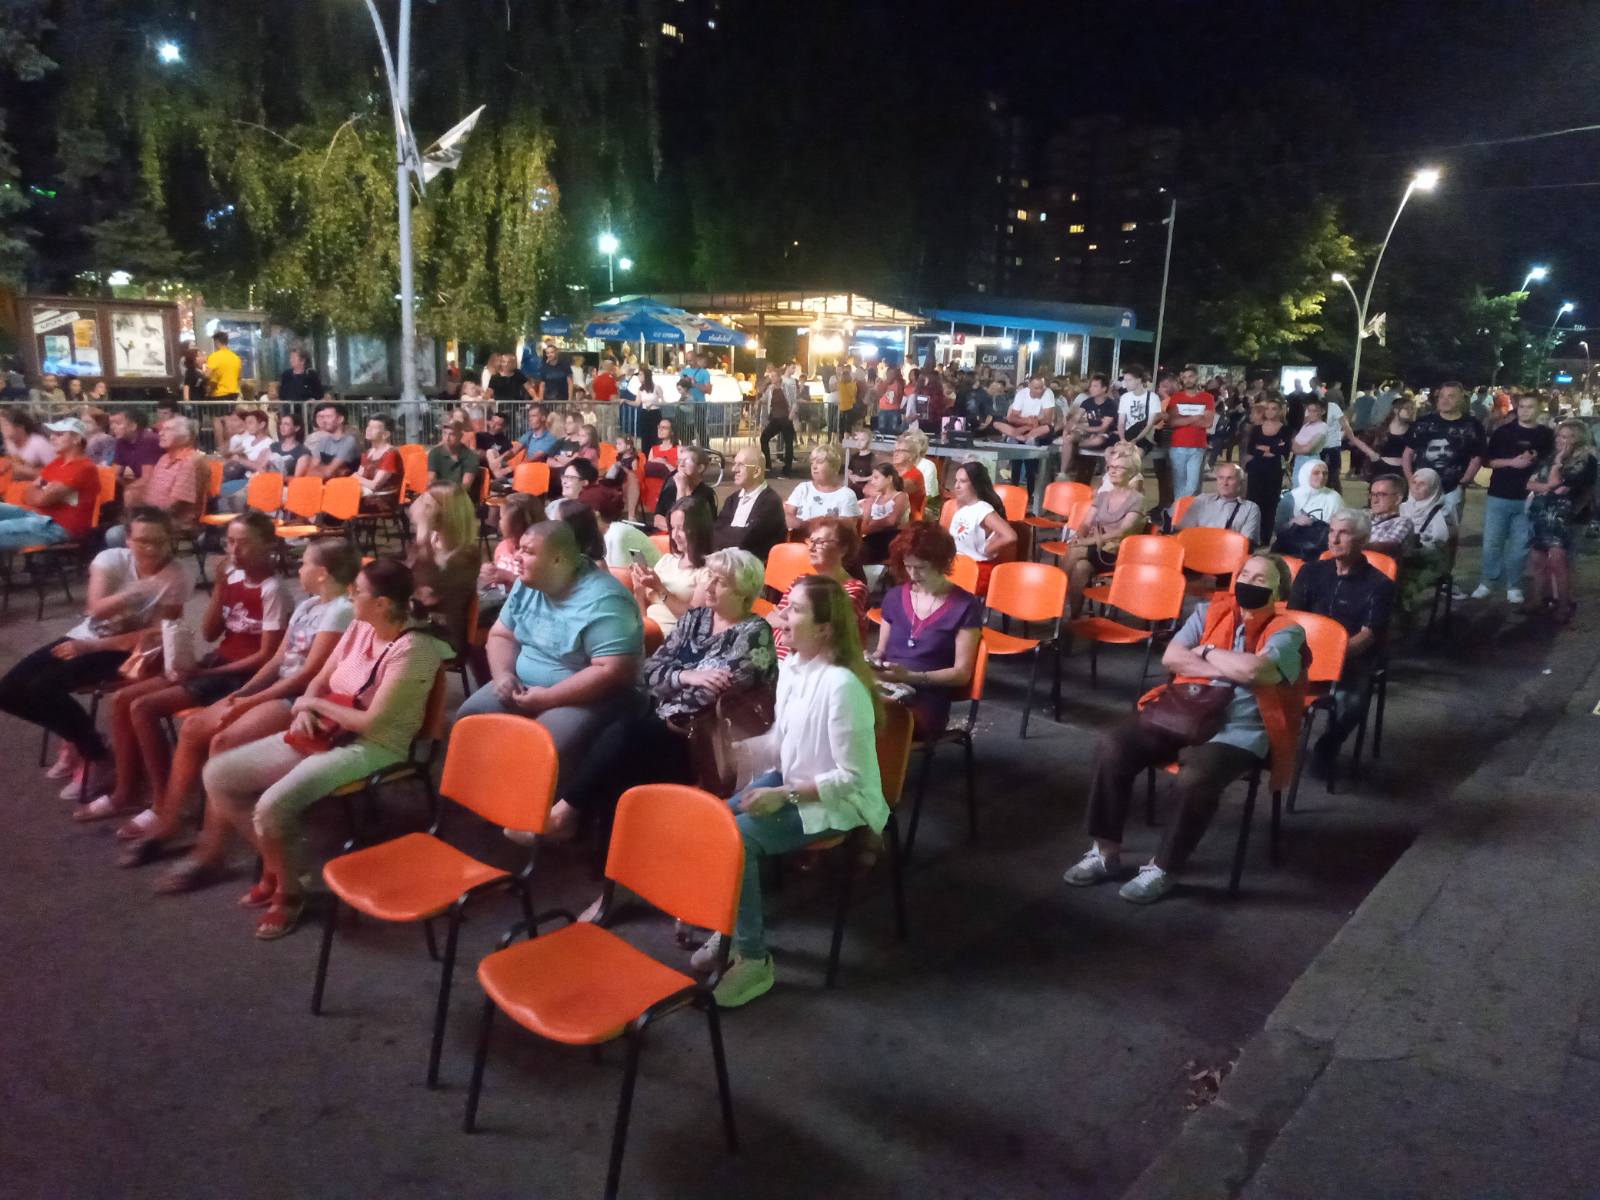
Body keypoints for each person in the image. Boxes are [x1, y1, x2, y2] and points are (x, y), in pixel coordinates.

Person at [188, 558, 450, 937]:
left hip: (374, 745)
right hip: (327, 730)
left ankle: (291, 891)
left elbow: (371, 723)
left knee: (271, 806)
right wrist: (305, 710)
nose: (350, 594)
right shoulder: (360, 626)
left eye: (357, 591)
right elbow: (319, 680)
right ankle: (282, 868)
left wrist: (314, 706)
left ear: (381, 603)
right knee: (219, 774)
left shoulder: (414, 650)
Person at [1061, 553, 1304, 903]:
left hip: (1238, 728)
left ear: (1280, 592)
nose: (1249, 582)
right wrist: (1229, 667)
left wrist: (1205, 651)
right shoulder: (1207, 612)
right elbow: (1172, 658)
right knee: (1113, 744)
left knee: (1196, 777)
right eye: (1245, 574)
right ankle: (1105, 852)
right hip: (1183, 711)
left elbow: (1256, 671)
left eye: (1261, 579)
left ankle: (1164, 867)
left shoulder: (1288, 631)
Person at [695, 573, 887, 1007]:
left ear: (824, 628)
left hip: (838, 802)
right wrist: (738, 750)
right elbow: (783, 742)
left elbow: (853, 778)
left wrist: (785, 795)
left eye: (795, 610)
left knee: (738, 840)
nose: (782, 616)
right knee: (713, 819)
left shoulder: (842, 687)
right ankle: (729, 926)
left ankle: (754, 959)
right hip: (794, 780)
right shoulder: (794, 669)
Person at [126, 540, 362, 865]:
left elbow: (309, 674)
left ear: (322, 573)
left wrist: (251, 701)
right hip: (280, 687)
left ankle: (211, 848)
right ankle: (169, 821)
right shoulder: (308, 605)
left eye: (305, 563)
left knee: (223, 742)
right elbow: (278, 660)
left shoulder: (341, 611)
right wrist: (244, 693)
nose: (299, 568)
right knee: (193, 728)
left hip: (305, 698)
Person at [549, 548, 778, 839]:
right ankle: (600, 841)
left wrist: (670, 683)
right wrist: (686, 676)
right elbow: (649, 670)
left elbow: (704, 702)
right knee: (619, 746)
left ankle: (566, 817)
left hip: (705, 743)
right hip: (664, 722)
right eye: (709, 576)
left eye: (719, 581)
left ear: (744, 592)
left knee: (626, 738)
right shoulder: (696, 618)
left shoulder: (754, 634)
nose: (708, 585)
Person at [97, 512, 291, 834]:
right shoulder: (233, 578)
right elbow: (210, 632)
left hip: (242, 675)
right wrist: (220, 587)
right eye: (230, 542)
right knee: (122, 698)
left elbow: (265, 657)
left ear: (269, 545)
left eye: (244, 543)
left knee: (143, 707)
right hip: (218, 662)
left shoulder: (273, 590)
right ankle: (127, 789)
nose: (234, 551)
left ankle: (163, 802)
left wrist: (205, 673)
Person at [0, 509, 190, 799]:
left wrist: (92, 647)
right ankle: (79, 739)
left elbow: (156, 635)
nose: (152, 549)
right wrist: (139, 590)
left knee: (43, 687)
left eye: (159, 542)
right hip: (85, 636)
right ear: (127, 540)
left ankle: (97, 757)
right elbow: (95, 610)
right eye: (143, 541)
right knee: (8, 691)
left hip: (127, 651)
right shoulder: (110, 559)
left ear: (170, 540)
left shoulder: (176, 576)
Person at [456, 520, 643, 788]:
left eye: (528, 551)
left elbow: (612, 672)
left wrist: (549, 697)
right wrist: (502, 676)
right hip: (524, 683)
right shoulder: (529, 583)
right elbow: (501, 635)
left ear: (557, 560)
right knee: (471, 718)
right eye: (519, 548)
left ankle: (539, 809)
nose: (517, 557)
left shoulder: (606, 601)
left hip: (587, 697)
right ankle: (483, 794)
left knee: (543, 742)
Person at [1289, 509, 1395, 775]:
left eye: (1344, 533)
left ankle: (1327, 745)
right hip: (1305, 652)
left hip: (1351, 657)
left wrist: (1331, 658)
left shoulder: (1379, 585)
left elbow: (1368, 635)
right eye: (1332, 532)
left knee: (1351, 703)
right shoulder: (1310, 572)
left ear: (1363, 540)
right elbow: (1293, 618)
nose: (1334, 539)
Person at [870, 523, 984, 739]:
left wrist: (911, 677)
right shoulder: (894, 597)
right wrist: (873, 662)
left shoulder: (965, 605)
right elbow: (881, 651)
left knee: (865, 717)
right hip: (890, 689)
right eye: (908, 566)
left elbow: (961, 674)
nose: (913, 574)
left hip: (927, 699)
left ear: (942, 563)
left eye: (921, 567)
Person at [1473, 393, 1552, 605]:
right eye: (1522, 406)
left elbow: (1551, 461)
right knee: (1492, 543)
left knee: (1520, 545)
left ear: (1539, 409)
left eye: (1530, 406)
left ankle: (1514, 585)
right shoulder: (1504, 432)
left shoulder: (1546, 435)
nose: (1525, 411)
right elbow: (1488, 461)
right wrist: (1512, 462)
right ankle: (1487, 581)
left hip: (1529, 498)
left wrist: (1536, 461)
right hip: (1500, 494)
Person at [1524, 418, 1596, 624]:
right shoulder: (1549, 457)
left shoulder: (1585, 462)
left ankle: (1564, 604)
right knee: (1537, 559)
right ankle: (1539, 598)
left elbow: (1559, 486)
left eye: (1566, 437)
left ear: (1578, 440)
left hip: (1563, 517)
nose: (1560, 441)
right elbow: (1530, 484)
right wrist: (1547, 486)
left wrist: (1556, 465)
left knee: (1559, 562)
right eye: (1559, 436)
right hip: (1541, 512)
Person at [768, 516, 869, 658]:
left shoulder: (854, 589)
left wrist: (781, 622)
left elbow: (819, 632)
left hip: (814, 661)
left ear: (843, 549)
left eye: (820, 542)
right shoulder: (801, 580)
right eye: (810, 541)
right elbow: (782, 623)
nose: (811, 547)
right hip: (779, 658)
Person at [1061, 443, 1143, 615]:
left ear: (1131, 472)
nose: (1112, 471)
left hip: (1116, 553)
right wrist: (1079, 536)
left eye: (1118, 468)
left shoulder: (1137, 499)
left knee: (1076, 550)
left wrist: (1086, 541)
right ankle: (1072, 619)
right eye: (1110, 467)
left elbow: (1123, 531)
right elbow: (1085, 523)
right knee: (1081, 567)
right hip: (1095, 550)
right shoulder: (1103, 495)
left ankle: (1054, 595)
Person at [0, 417, 101, 551]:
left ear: (76, 439)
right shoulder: (57, 463)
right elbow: (28, 494)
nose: (52, 438)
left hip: (59, 526)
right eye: (52, 434)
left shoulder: (84, 467)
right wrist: (40, 491)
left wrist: (39, 490)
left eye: (59, 434)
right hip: (37, 517)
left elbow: (42, 499)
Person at [407, 483, 481, 655]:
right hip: (417, 624)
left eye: (427, 506)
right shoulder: (431, 542)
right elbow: (405, 581)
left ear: (446, 513)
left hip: (443, 634)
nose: (421, 510)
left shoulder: (467, 555)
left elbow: (429, 591)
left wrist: (422, 533)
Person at [1402, 381, 1485, 521]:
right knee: (1415, 527)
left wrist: (1462, 483)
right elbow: (1408, 453)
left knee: (1448, 529)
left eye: (1451, 396)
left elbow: (1476, 457)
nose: (1445, 400)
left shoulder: (1472, 426)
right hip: (1420, 487)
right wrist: (1410, 479)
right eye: (1441, 396)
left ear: (1461, 399)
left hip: (1452, 489)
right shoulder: (1423, 423)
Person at [634, 497, 714, 637]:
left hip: (673, 636)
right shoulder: (667, 560)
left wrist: (660, 589)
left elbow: (694, 618)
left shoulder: (709, 570)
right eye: (672, 528)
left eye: (681, 528)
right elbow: (643, 611)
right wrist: (639, 589)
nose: (674, 535)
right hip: (647, 630)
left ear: (699, 530)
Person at [479, 492, 544, 625]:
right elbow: (497, 570)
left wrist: (509, 577)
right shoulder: (503, 546)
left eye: (502, 517)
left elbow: (539, 590)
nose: (499, 521)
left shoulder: (538, 553)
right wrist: (489, 571)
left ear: (518, 524)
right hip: (497, 597)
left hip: (523, 608)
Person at [713, 446, 786, 561]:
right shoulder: (732, 499)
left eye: (740, 465)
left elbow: (746, 539)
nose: (734, 469)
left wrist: (727, 533)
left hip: (755, 566)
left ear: (756, 471)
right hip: (728, 562)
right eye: (734, 464)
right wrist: (739, 532)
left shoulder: (771, 502)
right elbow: (716, 533)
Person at [993, 375, 1058, 492]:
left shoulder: (1048, 393)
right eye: (1036, 388)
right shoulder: (1021, 394)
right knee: (997, 424)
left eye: (1041, 388)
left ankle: (1030, 492)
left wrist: (1034, 423)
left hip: (1037, 429)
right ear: (1029, 386)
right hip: (1023, 427)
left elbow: (1047, 420)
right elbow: (1012, 417)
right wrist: (1027, 422)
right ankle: (1021, 437)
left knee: (1046, 429)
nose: (1040, 391)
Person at [1175, 461, 1263, 547]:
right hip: (1198, 548)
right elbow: (1182, 532)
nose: (1225, 483)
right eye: (1221, 478)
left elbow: (1245, 544)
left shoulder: (1250, 508)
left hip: (1229, 551)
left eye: (1230, 478)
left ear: (1240, 482)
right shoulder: (1202, 500)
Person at [784, 443, 862, 535]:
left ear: (834, 467)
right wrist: (807, 526)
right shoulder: (803, 488)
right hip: (799, 540)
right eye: (812, 463)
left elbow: (847, 530)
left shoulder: (846, 495)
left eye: (819, 462)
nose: (814, 467)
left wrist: (808, 526)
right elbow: (787, 516)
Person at [1273, 460, 1342, 558]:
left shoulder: (1334, 497)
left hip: (1324, 546)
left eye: (1325, 473)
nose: (1321, 477)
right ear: (1306, 474)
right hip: (1294, 546)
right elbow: (1278, 529)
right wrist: (1293, 522)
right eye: (1316, 473)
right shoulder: (1291, 497)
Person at [1166, 367, 1216, 499]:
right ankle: (1179, 511)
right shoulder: (1176, 397)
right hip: (1178, 446)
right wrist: (1195, 418)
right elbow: (1173, 422)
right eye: (1184, 377)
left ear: (1197, 377)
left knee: (1193, 486)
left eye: (1191, 376)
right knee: (1179, 485)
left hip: (1198, 446)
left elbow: (1207, 423)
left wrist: (1183, 420)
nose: (1187, 380)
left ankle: (1178, 508)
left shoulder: (1207, 398)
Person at [1242, 396, 1291, 522]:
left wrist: (1263, 448)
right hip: (1256, 469)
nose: (1270, 411)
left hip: (1274, 470)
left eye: (1274, 409)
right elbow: (1251, 449)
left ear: (1279, 411)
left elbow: (1284, 451)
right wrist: (1273, 448)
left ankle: (1266, 532)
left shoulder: (1285, 430)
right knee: (1253, 500)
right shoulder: (1257, 429)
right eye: (1267, 408)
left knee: (1270, 503)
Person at [653, 443, 718, 531]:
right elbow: (657, 519)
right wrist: (674, 527)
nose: (681, 465)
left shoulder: (706, 494)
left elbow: (686, 526)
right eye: (679, 461)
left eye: (687, 461)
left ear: (700, 468)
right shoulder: (671, 486)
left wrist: (681, 489)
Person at [1349, 395, 1414, 478]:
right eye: (1407, 408)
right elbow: (1357, 439)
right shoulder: (1381, 428)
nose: (1410, 411)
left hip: (1404, 471)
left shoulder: (1414, 429)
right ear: (1396, 410)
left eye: (1412, 408)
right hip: (1382, 469)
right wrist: (1371, 453)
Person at [860, 463, 911, 564]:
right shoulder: (874, 499)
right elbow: (864, 526)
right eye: (872, 479)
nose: (872, 482)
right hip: (873, 538)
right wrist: (871, 524)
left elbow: (892, 521)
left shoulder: (901, 496)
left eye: (876, 478)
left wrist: (871, 523)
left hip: (893, 538)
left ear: (889, 479)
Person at [355, 415, 402, 511]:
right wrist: (356, 478)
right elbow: (359, 477)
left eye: (374, 428)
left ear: (385, 434)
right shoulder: (367, 453)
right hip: (365, 495)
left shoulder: (390, 454)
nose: (368, 429)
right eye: (368, 426)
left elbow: (375, 485)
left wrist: (355, 477)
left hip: (383, 499)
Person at [1365, 475, 1417, 558]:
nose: (1375, 500)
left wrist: (1355, 546)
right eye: (1373, 494)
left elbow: (1389, 545)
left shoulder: (1403, 522)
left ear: (1397, 499)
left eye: (1381, 494)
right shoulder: (1364, 516)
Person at [304, 402, 360, 479]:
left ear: (340, 419)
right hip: (324, 483)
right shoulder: (324, 440)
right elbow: (310, 472)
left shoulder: (349, 441)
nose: (324, 421)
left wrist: (320, 468)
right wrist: (335, 471)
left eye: (328, 417)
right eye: (323, 417)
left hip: (343, 485)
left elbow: (329, 472)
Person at [758, 365, 796, 476]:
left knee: (788, 443)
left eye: (774, 376)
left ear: (779, 377)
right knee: (764, 438)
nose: (772, 378)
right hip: (775, 419)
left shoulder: (787, 387)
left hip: (785, 418)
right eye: (771, 376)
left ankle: (787, 468)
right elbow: (764, 398)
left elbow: (794, 401)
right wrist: (758, 401)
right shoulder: (770, 389)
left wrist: (792, 414)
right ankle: (767, 465)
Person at [109, 408, 163, 484]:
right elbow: (113, 474)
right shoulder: (121, 441)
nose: (112, 427)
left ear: (133, 426)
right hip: (139, 483)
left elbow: (147, 479)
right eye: (111, 423)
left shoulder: (149, 440)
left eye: (118, 423)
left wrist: (128, 487)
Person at [2, 406, 55, 479]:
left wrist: (23, 470)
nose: (3, 429)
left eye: (6, 425)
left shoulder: (38, 443)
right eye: (2, 426)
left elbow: (56, 472)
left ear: (20, 427)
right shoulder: (9, 442)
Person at [1290, 398, 1329, 482]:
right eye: (1309, 411)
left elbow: (1307, 449)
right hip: (1298, 460)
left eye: (1314, 411)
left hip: (1310, 461)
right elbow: (1294, 443)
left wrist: (1295, 447)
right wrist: (1297, 447)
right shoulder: (1306, 425)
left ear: (1322, 412)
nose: (1311, 414)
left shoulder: (1322, 427)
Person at [682, 350, 712, 447]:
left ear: (696, 359)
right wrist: (684, 384)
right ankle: (688, 449)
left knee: (701, 430)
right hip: (687, 405)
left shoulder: (704, 373)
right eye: (687, 361)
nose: (689, 363)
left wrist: (695, 384)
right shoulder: (684, 371)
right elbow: (680, 388)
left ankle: (705, 450)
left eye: (690, 360)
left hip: (699, 405)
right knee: (686, 431)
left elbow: (708, 390)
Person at [269, 410, 312, 478]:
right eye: (281, 424)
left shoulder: (303, 452)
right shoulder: (274, 446)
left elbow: (297, 478)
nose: (282, 427)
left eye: (286, 424)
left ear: (296, 428)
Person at [205, 331, 242, 405]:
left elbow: (207, 375)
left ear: (217, 342)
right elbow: (239, 377)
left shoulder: (214, 356)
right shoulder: (236, 358)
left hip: (219, 395)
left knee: (218, 413)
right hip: (234, 394)